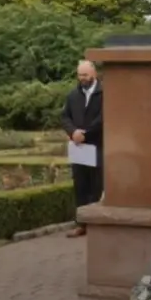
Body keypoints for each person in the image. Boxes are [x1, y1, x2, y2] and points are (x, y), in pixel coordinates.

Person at [61, 60, 103, 238]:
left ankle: (96, 225)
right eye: (79, 75)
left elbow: (104, 118)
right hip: (78, 148)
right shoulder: (72, 96)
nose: (82, 78)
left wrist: (86, 133)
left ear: (94, 74)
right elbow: (65, 116)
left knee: (96, 185)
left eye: (85, 75)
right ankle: (81, 224)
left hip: (97, 145)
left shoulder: (104, 94)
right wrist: (73, 132)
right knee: (80, 185)